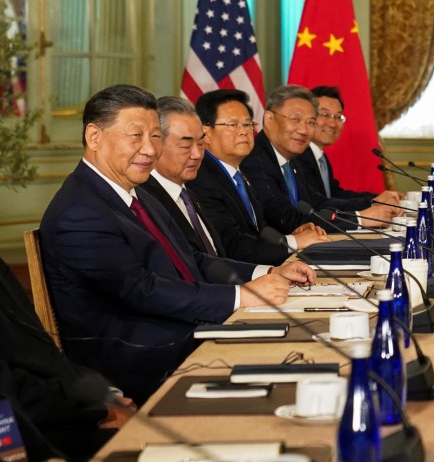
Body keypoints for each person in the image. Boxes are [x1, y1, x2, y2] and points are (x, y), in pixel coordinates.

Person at [39, 84, 316, 402]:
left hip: (181, 331)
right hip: (141, 360)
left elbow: (192, 260)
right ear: (94, 137)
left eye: (155, 136)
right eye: (136, 136)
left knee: (303, 341)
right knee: (292, 365)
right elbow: (142, 291)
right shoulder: (80, 212)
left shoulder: (137, 193)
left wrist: (266, 273)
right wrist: (240, 296)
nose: (149, 149)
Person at [0, 256, 134, 462]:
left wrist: (104, 397)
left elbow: (44, 355)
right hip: (28, 432)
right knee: (142, 443)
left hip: (53, 411)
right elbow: (16, 392)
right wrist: (100, 411)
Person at [189, 89, 330, 265]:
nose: (243, 132)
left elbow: (259, 231)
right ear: (206, 132)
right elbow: (231, 246)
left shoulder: (240, 175)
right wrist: (294, 243)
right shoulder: (200, 178)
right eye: (233, 125)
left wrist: (290, 236)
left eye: (248, 125)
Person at [241, 85, 401, 233]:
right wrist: (361, 218)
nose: (303, 130)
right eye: (295, 119)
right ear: (269, 119)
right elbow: (286, 219)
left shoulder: (290, 158)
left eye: (310, 122)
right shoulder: (255, 159)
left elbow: (317, 203)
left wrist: (371, 204)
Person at [140, 96, 226, 256]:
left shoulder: (188, 194)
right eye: (186, 145)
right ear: (156, 144)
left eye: (201, 144)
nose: (197, 154)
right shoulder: (144, 201)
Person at [295, 85, 401, 206]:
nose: (333, 124)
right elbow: (318, 203)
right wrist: (372, 202)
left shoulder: (320, 157)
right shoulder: (300, 157)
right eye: (325, 115)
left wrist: (378, 198)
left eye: (338, 117)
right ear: (308, 118)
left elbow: (335, 194)